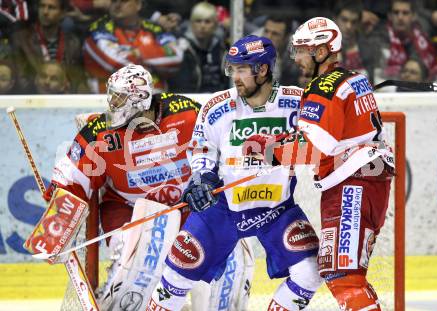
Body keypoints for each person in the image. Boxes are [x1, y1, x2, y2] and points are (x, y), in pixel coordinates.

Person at [148, 35, 322, 311]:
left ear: (262, 70)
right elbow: (201, 149)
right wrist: (202, 179)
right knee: (175, 279)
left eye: (241, 69)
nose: (235, 77)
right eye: (232, 70)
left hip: (275, 209)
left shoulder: (298, 102)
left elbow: (323, 137)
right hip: (222, 209)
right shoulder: (217, 107)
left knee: (311, 272)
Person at [244, 17, 395, 310]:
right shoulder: (353, 78)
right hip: (368, 180)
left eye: (302, 50)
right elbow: (328, 135)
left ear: (323, 51)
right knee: (345, 274)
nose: (297, 57)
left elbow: (312, 149)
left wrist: (268, 151)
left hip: (354, 184)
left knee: (344, 276)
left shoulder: (324, 87)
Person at [43, 64, 200, 309]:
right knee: (138, 261)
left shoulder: (187, 113)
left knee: (215, 268)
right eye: (112, 94)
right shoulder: (100, 132)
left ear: (139, 99)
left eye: (119, 96)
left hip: (187, 207)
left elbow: (217, 150)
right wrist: (57, 215)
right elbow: (71, 180)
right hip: (127, 209)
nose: (112, 102)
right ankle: (117, 295)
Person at [83, 0, 183, 93]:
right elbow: (114, 62)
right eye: (114, 0)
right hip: (111, 99)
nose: (117, 4)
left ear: (138, 5)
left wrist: (136, 53)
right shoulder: (99, 29)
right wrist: (154, 58)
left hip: (155, 98)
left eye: (124, 1)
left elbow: (176, 57)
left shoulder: (155, 29)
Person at [168, 1, 228, 93]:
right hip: (191, 100)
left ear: (215, 25)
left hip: (220, 100)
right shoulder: (182, 48)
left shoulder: (222, 48)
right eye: (198, 21)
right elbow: (180, 86)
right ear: (191, 23)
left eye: (207, 21)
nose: (202, 26)